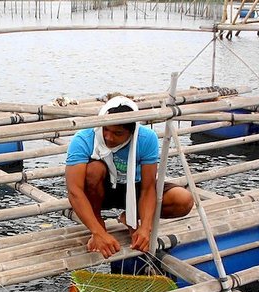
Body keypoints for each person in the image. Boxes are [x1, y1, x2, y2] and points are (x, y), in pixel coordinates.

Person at [65, 96, 194, 259]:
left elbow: (148, 188)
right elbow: (74, 190)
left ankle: (131, 216)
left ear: (132, 132)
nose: (109, 137)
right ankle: (99, 225)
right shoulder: (84, 138)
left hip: (134, 186)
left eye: (117, 133)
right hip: (101, 190)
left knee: (184, 200)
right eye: (106, 130)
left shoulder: (146, 138)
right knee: (94, 169)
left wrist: (145, 228)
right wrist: (98, 232)